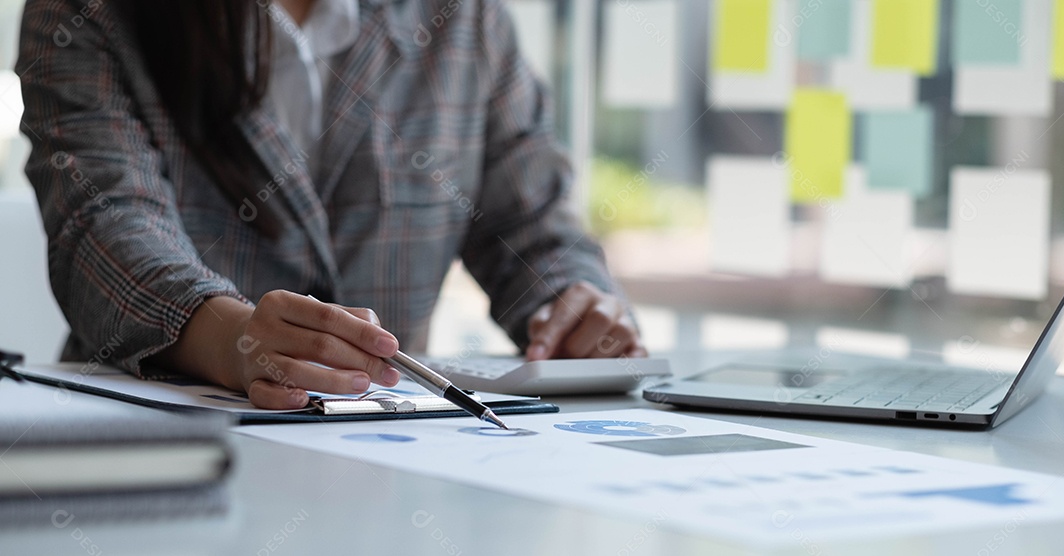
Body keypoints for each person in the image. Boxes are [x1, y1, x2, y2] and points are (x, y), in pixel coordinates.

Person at [17, 0, 645, 409]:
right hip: (161, 450)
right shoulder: (86, 13)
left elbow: (529, 223)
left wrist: (571, 301)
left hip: (395, 454)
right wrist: (236, 338)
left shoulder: (464, 18)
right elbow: (104, 224)